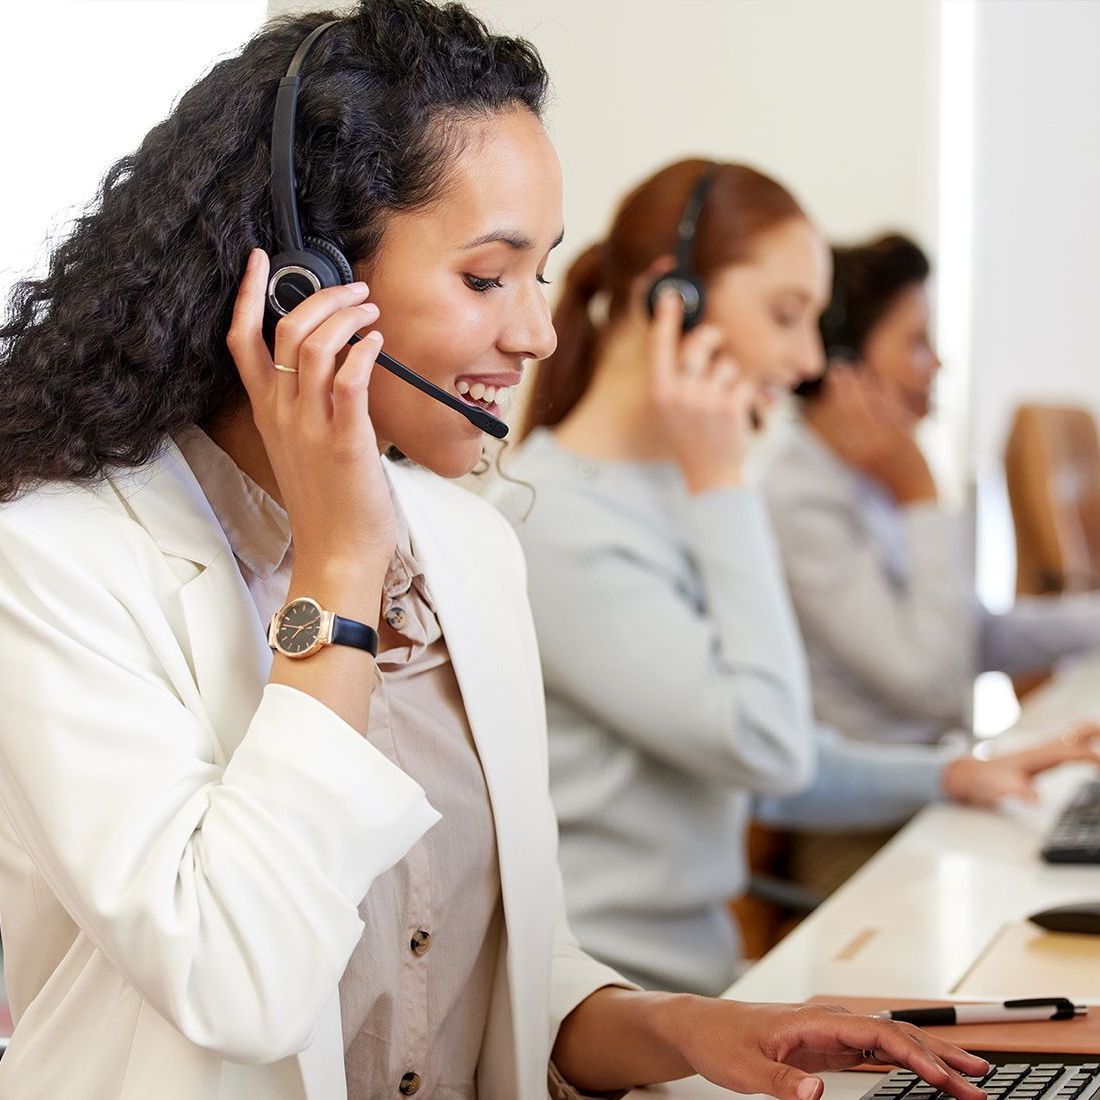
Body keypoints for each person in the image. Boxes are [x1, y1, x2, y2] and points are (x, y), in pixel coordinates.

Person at [0, 7, 998, 1100]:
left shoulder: (467, 545)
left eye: (542, 275)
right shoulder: (58, 563)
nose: (538, 334)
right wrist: (339, 569)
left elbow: (475, 962)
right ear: (303, 281)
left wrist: (678, 1027)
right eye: (486, 279)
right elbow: (241, 980)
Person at [496, 160, 1100, 997]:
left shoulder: (676, 495)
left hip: (702, 986)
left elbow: (761, 758)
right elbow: (766, 746)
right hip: (614, 1011)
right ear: (675, 301)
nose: (809, 357)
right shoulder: (555, 522)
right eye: (786, 315)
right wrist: (723, 483)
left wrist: (949, 775)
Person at [765, 233, 1100, 747]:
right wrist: (922, 497)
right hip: (873, 818)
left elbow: (969, 634)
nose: (937, 365)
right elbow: (935, 686)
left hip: (937, 779)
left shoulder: (869, 478)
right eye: (917, 342)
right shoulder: (799, 502)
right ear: (844, 364)